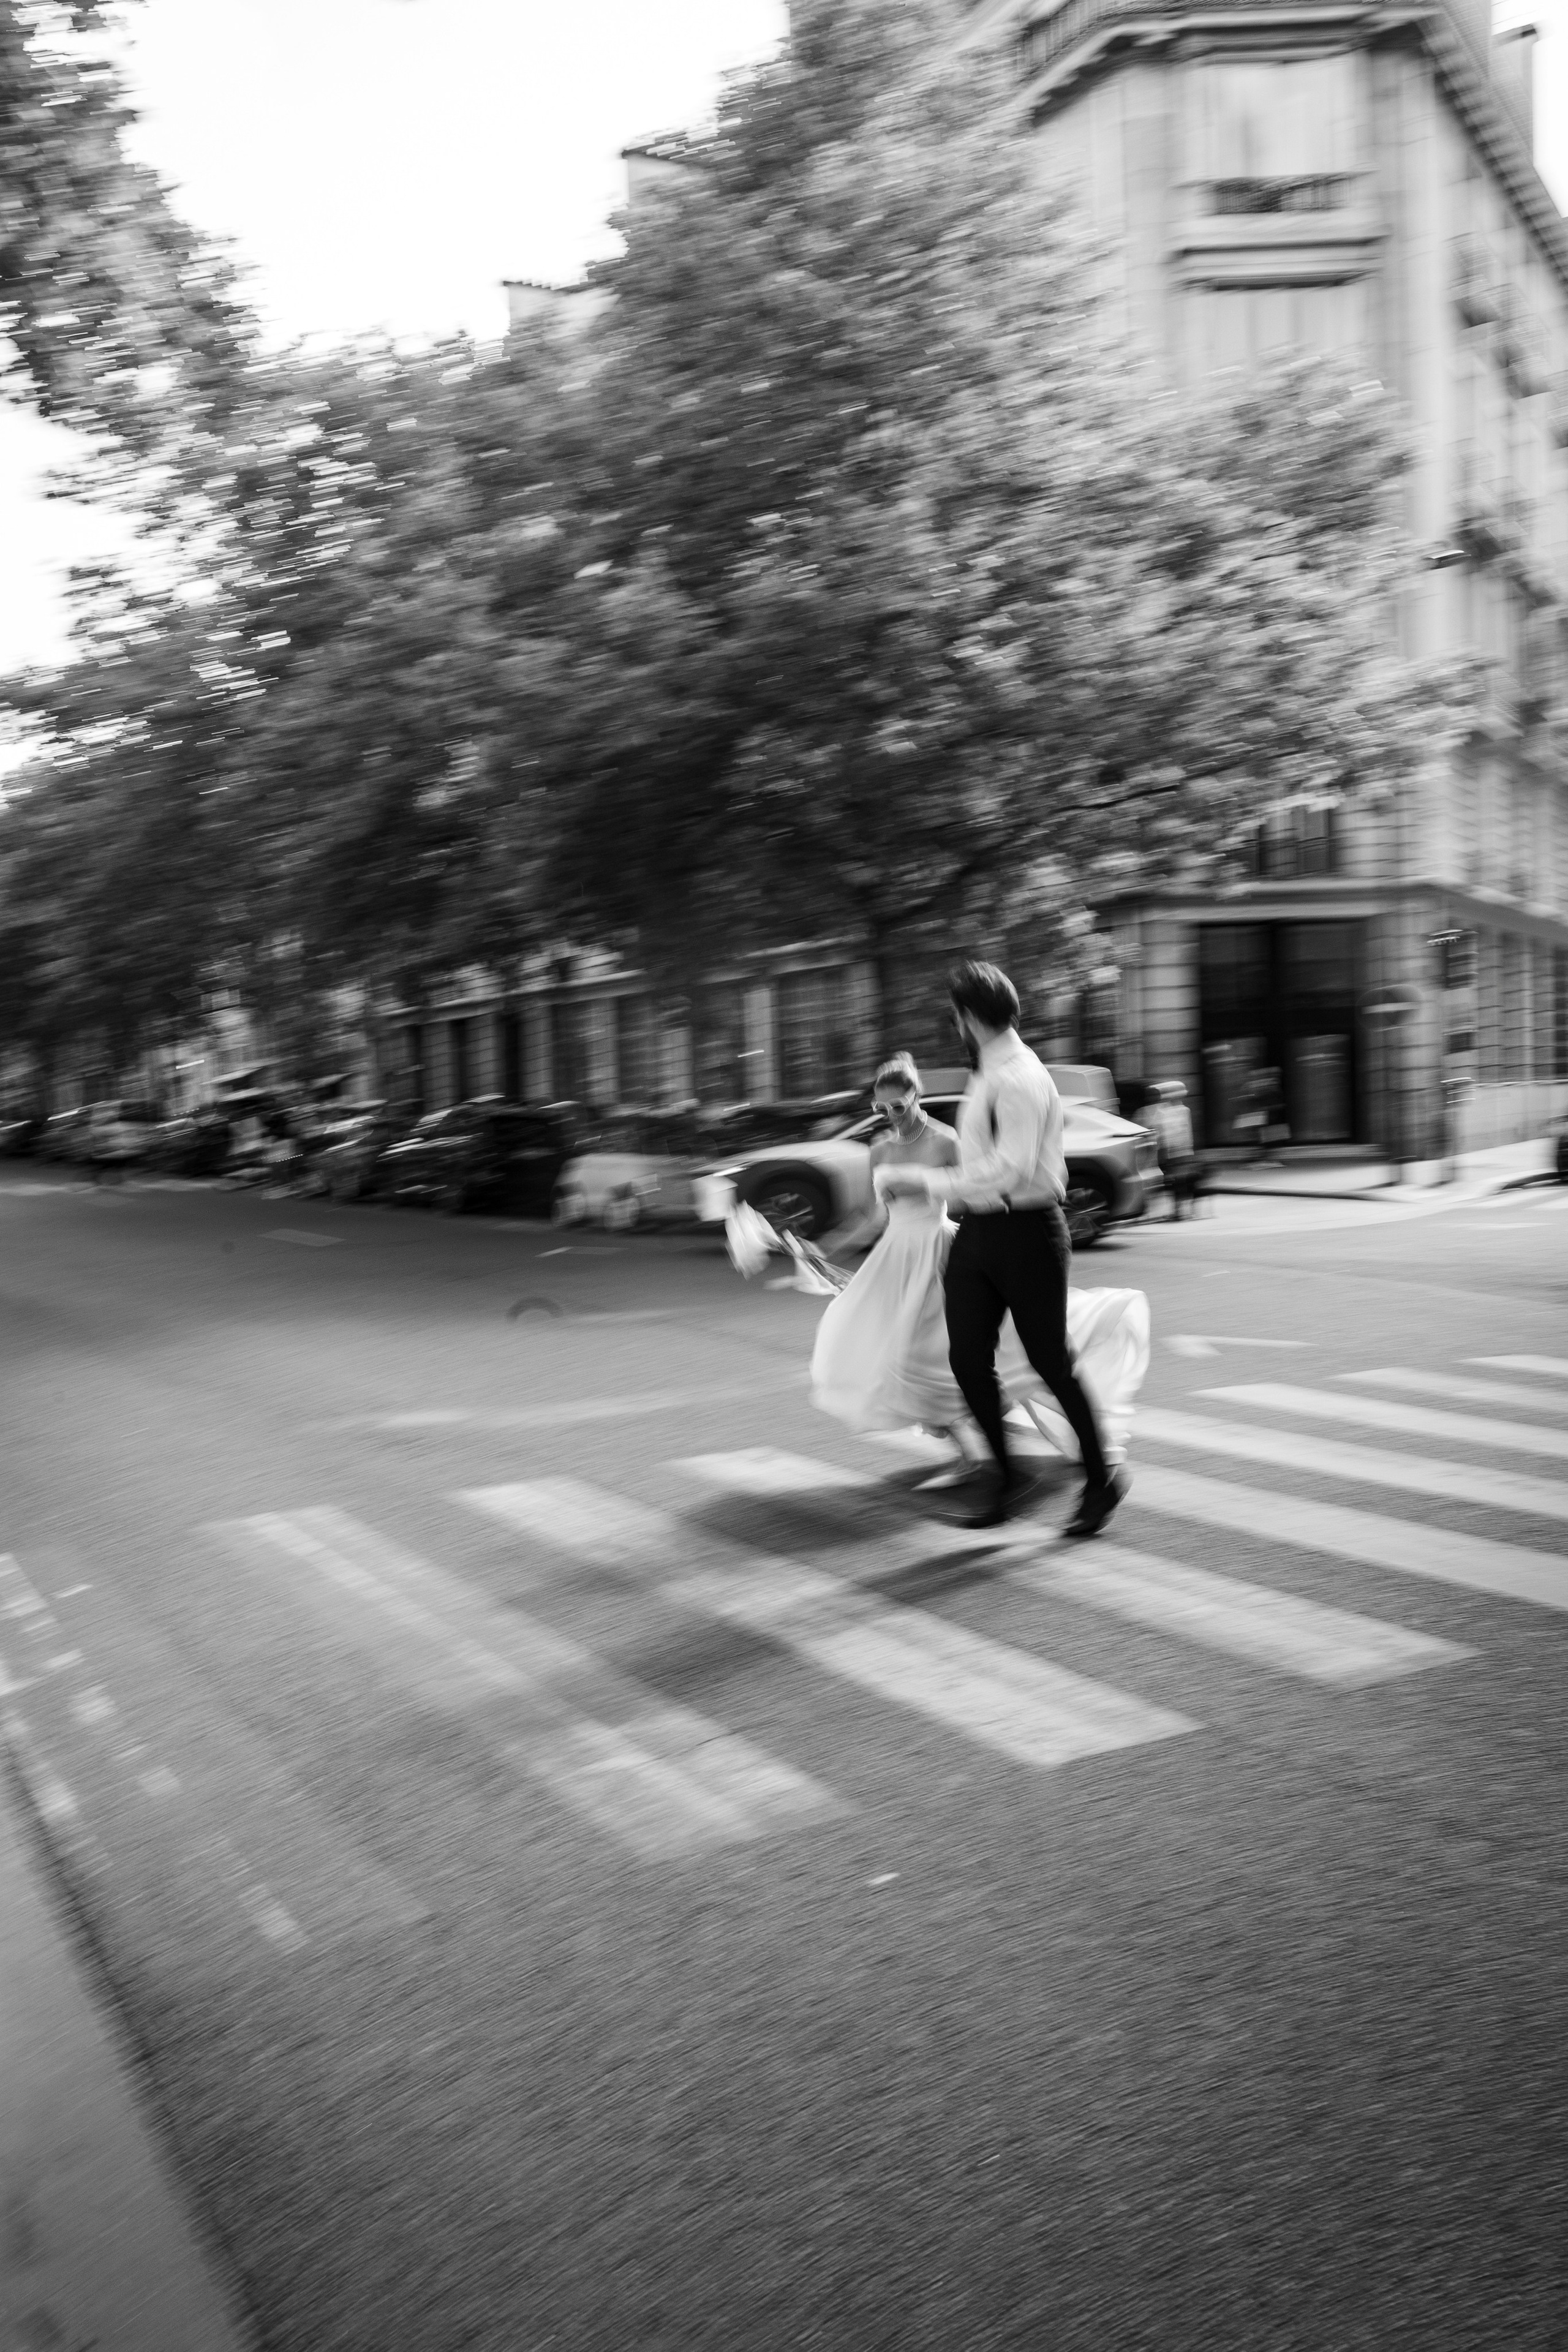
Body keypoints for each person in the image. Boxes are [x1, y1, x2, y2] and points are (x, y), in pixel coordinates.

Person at [791, 1052, 1147, 1509]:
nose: (890, 1117)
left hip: (942, 1255)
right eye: (881, 1110)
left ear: (916, 1097)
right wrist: (827, 1247)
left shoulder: (945, 1140)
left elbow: (974, 1193)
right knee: (900, 1357)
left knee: (962, 1356)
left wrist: (986, 1237)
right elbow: (872, 1217)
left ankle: (999, 1451)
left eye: (898, 1107)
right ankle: (968, 1451)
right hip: (896, 1260)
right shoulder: (879, 1149)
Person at [869, 967, 1134, 1534]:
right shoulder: (988, 1069)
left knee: (1050, 1361)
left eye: (955, 1015)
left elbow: (1010, 1166)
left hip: (1028, 1231)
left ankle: (1101, 1482)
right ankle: (1007, 1479)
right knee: (967, 1358)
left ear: (968, 1016)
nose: (954, 1024)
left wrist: (927, 1183)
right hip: (982, 1232)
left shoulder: (1018, 1076)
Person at [1144, 1079, 1201, 1221]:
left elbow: (1161, 1133)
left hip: (1175, 1153)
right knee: (1178, 1182)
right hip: (1182, 1152)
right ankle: (1181, 1211)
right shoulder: (1182, 1111)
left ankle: (1179, 1211)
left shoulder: (1166, 1112)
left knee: (1177, 1183)